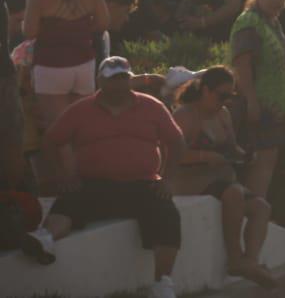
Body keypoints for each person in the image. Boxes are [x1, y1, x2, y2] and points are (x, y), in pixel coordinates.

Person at [22, 57, 186, 298]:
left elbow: (177, 141)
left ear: (129, 80)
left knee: (167, 215)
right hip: (94, 183)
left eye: (123, 79)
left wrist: (168, 178)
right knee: (69, 202)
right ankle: (45, 239)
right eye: (113, 80)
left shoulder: (151, 106)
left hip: (143, 183)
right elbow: (51, 140)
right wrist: (62, 175)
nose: (119, 85)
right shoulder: (81, 109)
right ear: (100, 81)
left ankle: (162, 283)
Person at [168, 67, 275, 287]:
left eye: (230, 96)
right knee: (234, 192)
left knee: (262, 207)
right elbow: (170, 156)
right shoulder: (185, 116)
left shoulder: (223, 115)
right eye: (222, 95)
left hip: (220, 179)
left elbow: (232, 147)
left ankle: (250, 261)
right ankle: (235, 259)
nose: (225, 101)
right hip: (190, 181)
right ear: (205, 90)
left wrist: (245, 155)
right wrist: (203, 156)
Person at [23, 0, 108, 131]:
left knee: (59, 130)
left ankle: (68, 162)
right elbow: (103, 23)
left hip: (50, 64)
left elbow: (29, 32)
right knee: (82, 126)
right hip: (84, 63)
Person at [229, 0, 285, 198]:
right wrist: (251, 101)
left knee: (269, 162)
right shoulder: (249, 22)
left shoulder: (272, 21)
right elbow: (242, 65)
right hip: (260, 104)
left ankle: (259, 211)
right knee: (262, 163)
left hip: (278, 104)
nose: (277, 1)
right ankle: (254, 211)